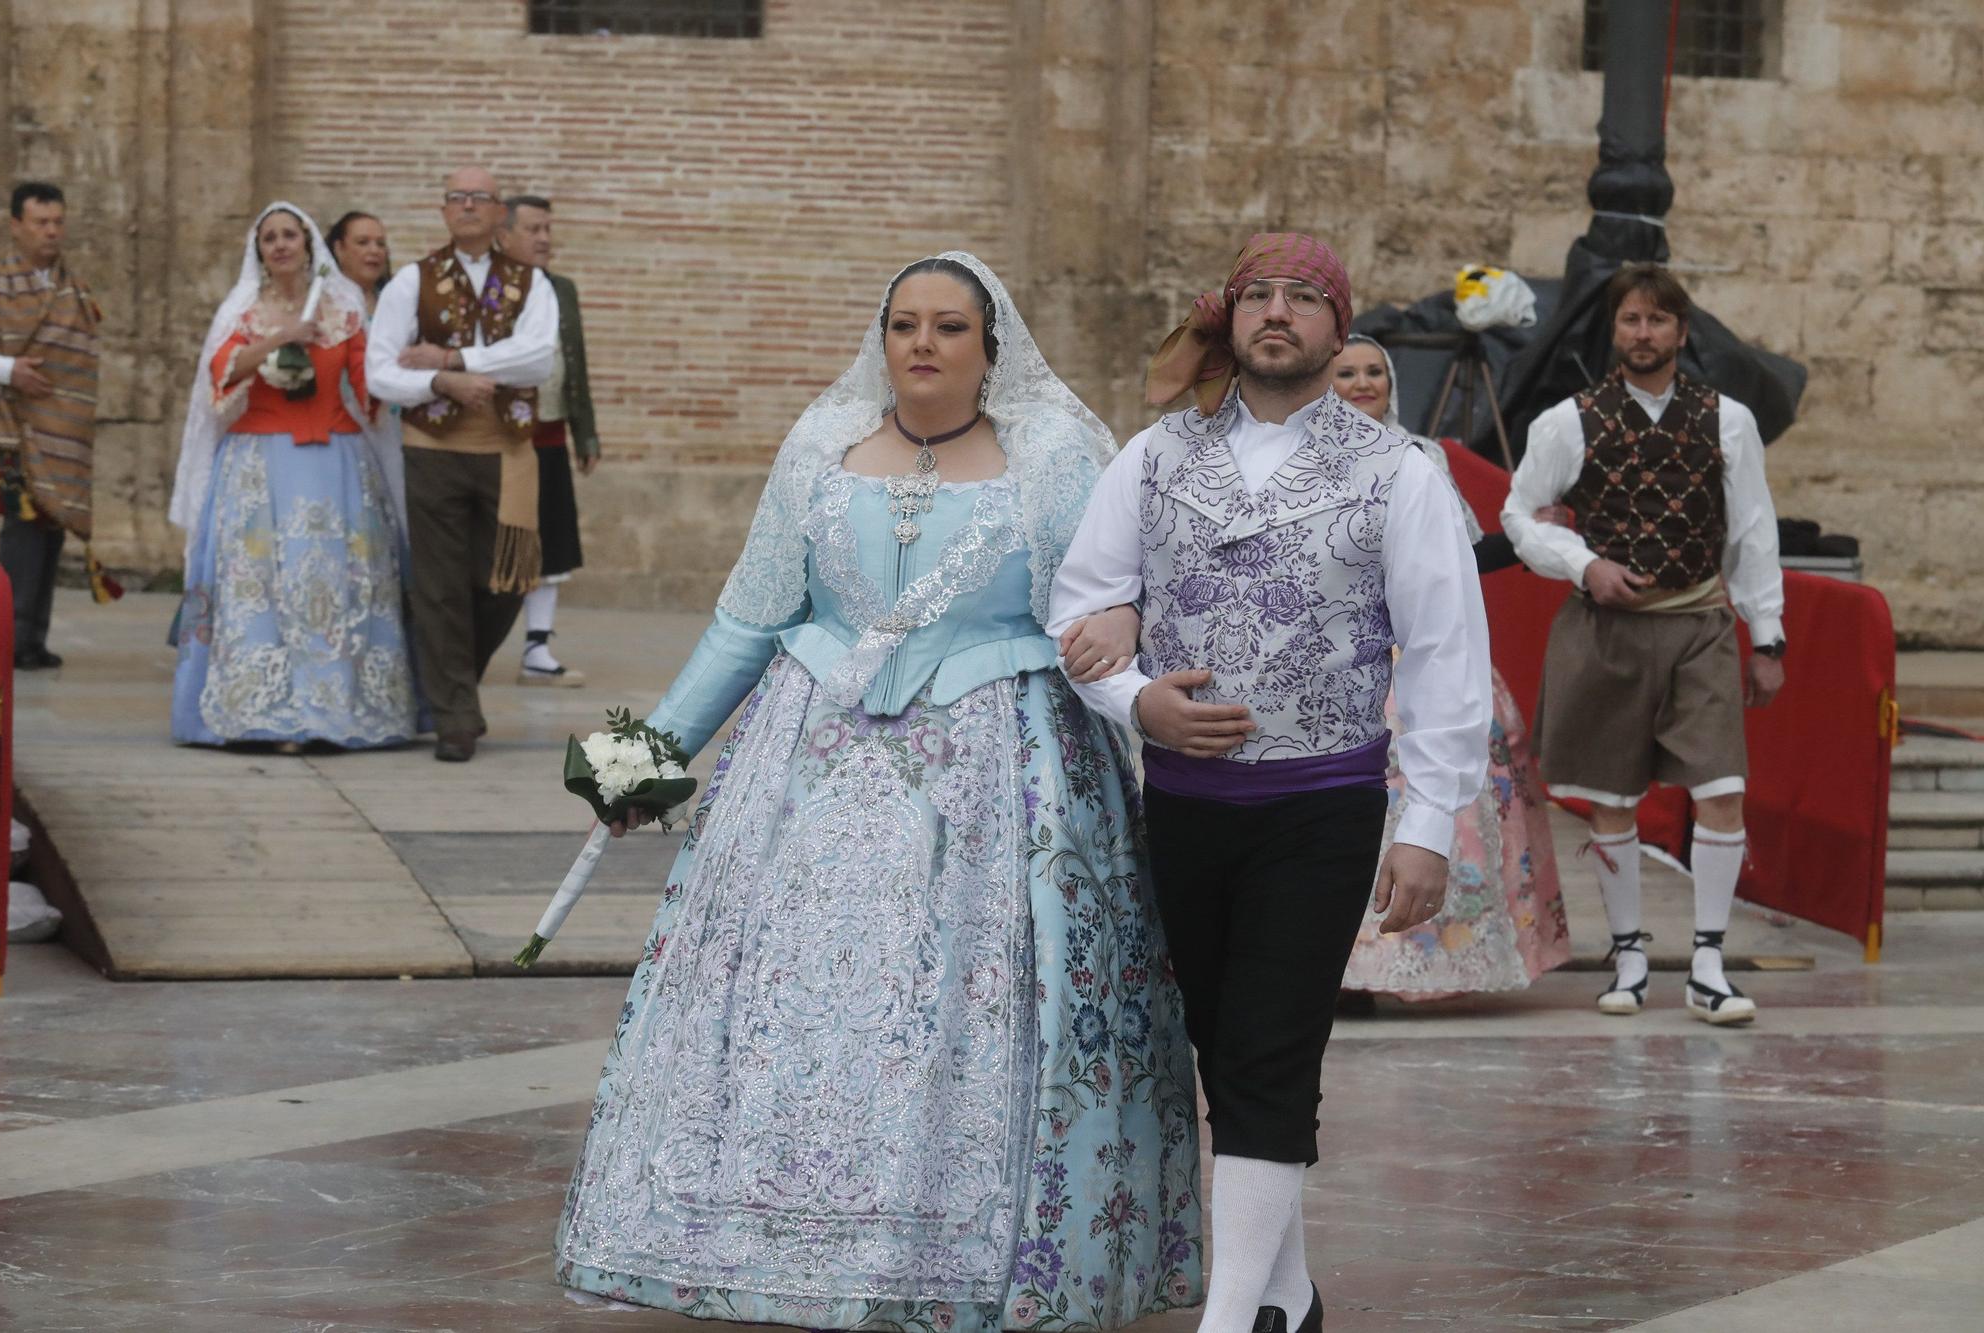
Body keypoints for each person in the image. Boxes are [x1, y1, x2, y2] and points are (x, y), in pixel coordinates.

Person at [554, 253, 1202, 1327]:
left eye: (950, 326)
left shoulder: (1050, 461)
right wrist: (645, 758)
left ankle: (956, 1247)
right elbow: (749, 619)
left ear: (990, 348)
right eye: (904, 323)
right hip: (805, 775)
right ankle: (744, 1230)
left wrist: (1142, 695)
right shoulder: (818, 449)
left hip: (1000, 781)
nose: (922, 344)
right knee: (789, 995)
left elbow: (1100, 614)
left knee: (960, 998)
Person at [1047, 233, 1492, 1333]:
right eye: (1258, 296)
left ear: (1340, 330)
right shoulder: (1152, 457)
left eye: (1304, 298)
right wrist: (1136, 699)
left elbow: (1443, 649)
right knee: (1221, 1041)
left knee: (1270, 1042)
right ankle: (1286, 1296)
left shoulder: (1397, 472)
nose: (1278, 313)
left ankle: (1229, 1311)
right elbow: (1080, 604)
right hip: (1185, 809)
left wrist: (1427, 822)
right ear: (1229, 319)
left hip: (1322, 803)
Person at [1503, 261, 1785, 1026]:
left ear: (1680, 332)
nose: (1643, 332)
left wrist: (1769, 637)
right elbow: (1519, 513)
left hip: (1698, 624)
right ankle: (1629, 953)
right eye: (1631, 319)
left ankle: (1708, 962)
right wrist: (1583, 563)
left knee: (1722, 788)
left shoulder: (1728, 420)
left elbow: (1754, 532)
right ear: (1615, 331)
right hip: (1607, 631)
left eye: (1658, 320)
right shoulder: (1568, 421)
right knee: (1612, 799)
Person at [1330, 335, 1570, 999]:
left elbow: (1458, 554)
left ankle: (1433, 959)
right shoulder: (1303, 459)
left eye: (1374, 371)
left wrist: (1528, 539)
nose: (1362, 383)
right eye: (1345, 371)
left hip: (1419, 654)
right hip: (1345, 659)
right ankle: (1345, 970)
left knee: (1448, 797)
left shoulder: (1419, 456)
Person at [167, 202, 418, 752]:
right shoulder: (243, 311)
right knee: (261, 588)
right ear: (258, 252)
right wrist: (280, 338)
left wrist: (402, 371)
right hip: (259, 466)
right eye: (269, 238)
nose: (280, 245)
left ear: (309, 246)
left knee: (337, 586)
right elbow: (220, 373)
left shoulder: (342, 308)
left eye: (290, 236)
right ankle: (265, 709)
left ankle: (335, 708)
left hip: (338, 464)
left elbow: (367, 386)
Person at [366, 168, 559, 762]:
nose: (469, 206)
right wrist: (440, 380)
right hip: (434, 452)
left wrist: (456, 355)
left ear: (500, 213)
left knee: (505, 582)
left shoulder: (532, 283)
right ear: (444, 211)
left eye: (481, 197)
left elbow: (538, 359)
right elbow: (381, 370)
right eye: (458, 197)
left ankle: (448, 688)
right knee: (439, 585)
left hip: (506, 451)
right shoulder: (410, 281)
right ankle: (455, 715)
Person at [0, 182, 114, 670]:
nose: (52, 231)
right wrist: (7, 370)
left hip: (64, 432)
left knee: (52, 531)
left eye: (58, 222)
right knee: (23, 530)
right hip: (14, 430)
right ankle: (11, 637)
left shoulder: (74, 289)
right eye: (41, 222)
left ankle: (35, 637)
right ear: (16, 225)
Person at [496, 194, 597, 688]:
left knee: (553, 540)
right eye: (533, 228)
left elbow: (574, 364)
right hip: (498, 437)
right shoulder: (491, 289)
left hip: (551, 433)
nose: (544, 239)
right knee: (501, 541)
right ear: (504, 234)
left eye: (547, 229)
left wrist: (586, 432)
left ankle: (537, 646)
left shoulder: (563, 289)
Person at [325, 210, 408, 539]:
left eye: (380, 243)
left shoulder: (397, 303)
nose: (374, 250)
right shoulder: (323, 304)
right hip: (344, 428)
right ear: (339, 249)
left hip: (394, 425)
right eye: (363, 242)